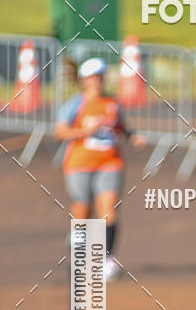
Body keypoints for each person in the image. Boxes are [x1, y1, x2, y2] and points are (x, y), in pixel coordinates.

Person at [55, 57, 145, 279]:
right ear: (84, 80)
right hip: (80, 163)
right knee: (82, 211)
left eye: (100, 77)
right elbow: (60, 132)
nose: (97, 81)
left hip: (109, 162)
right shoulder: (75, 104)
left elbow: (121, 125)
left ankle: (106, 259)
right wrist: (86, 131)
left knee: (109, 210)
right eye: (93, 77)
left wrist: (132, 136)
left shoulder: (112, 103)